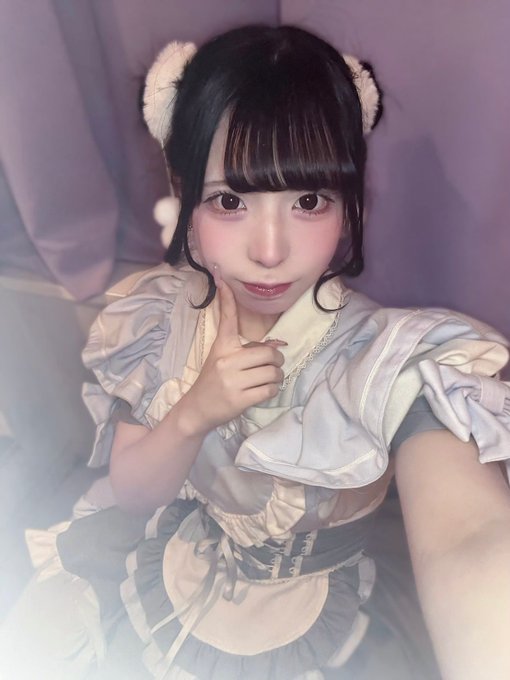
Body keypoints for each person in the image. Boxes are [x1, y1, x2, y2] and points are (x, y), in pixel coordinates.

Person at [2, 24, 510, 680]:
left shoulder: (389, 357)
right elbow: (132, 493)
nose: (270, 251)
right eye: (230, 200)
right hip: (179, 567)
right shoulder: (159, 318)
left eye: (309, 200)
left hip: (325, 618)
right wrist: (194, 412)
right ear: (183, 190)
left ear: (349, 202)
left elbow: (472, 539)